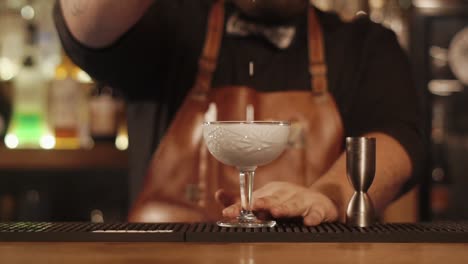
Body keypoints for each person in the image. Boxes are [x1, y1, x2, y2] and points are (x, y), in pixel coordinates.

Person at [54, 0, 425, 226]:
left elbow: (399, 136)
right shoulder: (170, 23)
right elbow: (87, 27)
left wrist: (328, 195)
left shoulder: (362, 43)